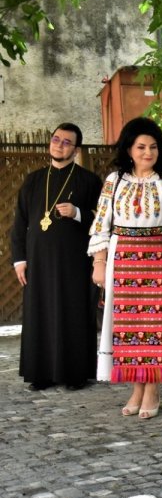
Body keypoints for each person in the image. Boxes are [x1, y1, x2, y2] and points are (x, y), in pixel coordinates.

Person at [89, 117, 162, 418]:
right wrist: (99, 262)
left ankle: (152, 388)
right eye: (141, 147)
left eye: (153, 146)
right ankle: (136, 387)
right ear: (129, 149)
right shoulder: (114, 181)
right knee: (128, 326)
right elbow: (101, 225)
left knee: (155, 325)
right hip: (122, 260)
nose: (148, 152)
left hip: (158, 260)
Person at [10, 123, 103, 390]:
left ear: (76, 150)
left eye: (66, 142)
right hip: (38, 263)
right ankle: (41, 374)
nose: (59, 145)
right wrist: (20, 259)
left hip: (75, 263)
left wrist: (77, 213)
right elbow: (20, 223)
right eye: (56, 139)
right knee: (40, 314)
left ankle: (75, 374)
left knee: (73, 313)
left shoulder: (89, 181)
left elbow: (103, 222)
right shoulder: (33, 180)